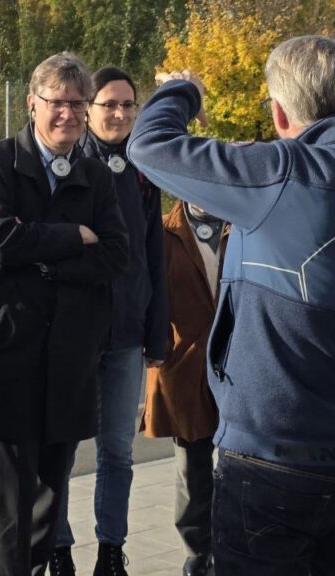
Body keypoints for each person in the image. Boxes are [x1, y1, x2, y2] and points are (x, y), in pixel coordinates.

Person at [127, 35, 335, 575]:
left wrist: (182, 89)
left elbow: (149, 144)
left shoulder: (281, 171)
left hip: (267, 463)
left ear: (279, 112)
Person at [0, 52, 129, 576]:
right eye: (57, 103)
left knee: (49, 499)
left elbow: (116, 255)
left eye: (78, 104)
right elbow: (2, 240)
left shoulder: (96, 177)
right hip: (10, 354)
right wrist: (73, 238)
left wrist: (47, 263)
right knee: (10, 503)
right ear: (32, 104)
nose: (69, 115)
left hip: (72, 355)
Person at [50, 66, 167, 576]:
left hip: (124, 337)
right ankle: (56, 546)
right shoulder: (68, 165)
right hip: (73, 335)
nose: (119, 114)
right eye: (108, 104)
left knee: (117, 451)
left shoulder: (143, 170)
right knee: (58, 444)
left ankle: (111, 550)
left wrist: (156, 330)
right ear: (88, 109)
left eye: (127, 105)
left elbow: (154, 255)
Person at [141, 201, 228, 576]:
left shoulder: (242, 224)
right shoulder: (162, 231)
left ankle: (230, 544)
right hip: (183, 364)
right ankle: (197, 550)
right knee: (192, 468)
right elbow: (147, 295)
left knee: (238, 465)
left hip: (236, 362)